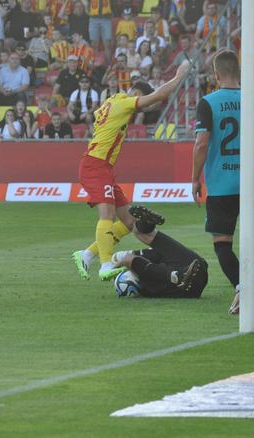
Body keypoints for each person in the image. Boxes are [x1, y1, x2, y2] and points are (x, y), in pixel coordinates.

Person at [71, 60, 191, 282]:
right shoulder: (124, 103)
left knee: (128, 222)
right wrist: (178, 76)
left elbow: (99, 116)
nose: (142, 109)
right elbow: (157, 96)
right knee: (106, 214)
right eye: (143, 104)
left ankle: (87, 254)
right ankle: (105, 264)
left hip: (101, 165)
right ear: (137, 93)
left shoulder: (111, 101)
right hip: (95, 164)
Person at [191, 50, 254, 315]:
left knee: (222, 243)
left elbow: (201, 143)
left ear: (216, 75)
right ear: (238, 72)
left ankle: (242, 288)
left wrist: (195, 178)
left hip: (221, 185)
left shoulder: (208, 102)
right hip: (253, 183)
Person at [111, 205, 207, 299]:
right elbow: (129, 259)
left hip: (195, 273)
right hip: (185, 280)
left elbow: (153, 255)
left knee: (139, 233)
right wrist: (119, 261)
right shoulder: (147, 282)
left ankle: (146, 224)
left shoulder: (151, 288)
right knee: (138, 245)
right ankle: (146, 225)